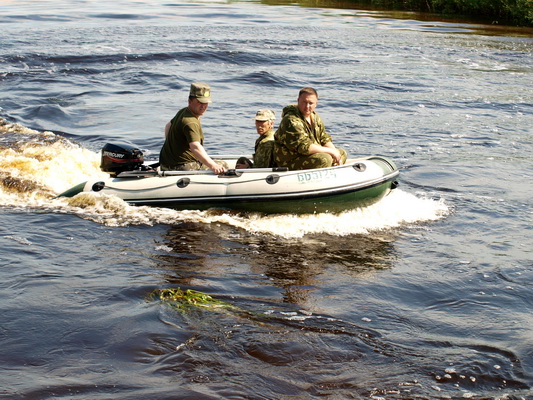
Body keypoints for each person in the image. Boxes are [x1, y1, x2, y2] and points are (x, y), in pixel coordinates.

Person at [159, 82, 226, 174]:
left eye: (206, 102)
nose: (203, 106)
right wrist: (213, 166)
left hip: (165, 164)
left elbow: (168, 126)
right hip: (181, 167)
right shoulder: (190, 121)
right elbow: (195, 147)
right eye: (199, 102)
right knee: (223, 165)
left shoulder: (183, 112)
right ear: (190, 101)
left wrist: (173, 148)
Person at [274, 87, 347, 170]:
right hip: (290, 160)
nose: (307, 106)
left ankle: (332, 169)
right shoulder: (291, 120)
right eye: (304, 102)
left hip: (309, 155)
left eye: (310, 103)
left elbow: (324, 139)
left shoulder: (315, 118)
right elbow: (305, 147)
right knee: (324, 159)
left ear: (316, 103)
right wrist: (331, 152)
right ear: (298, 101)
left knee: (342, 153)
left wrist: (335, 153)